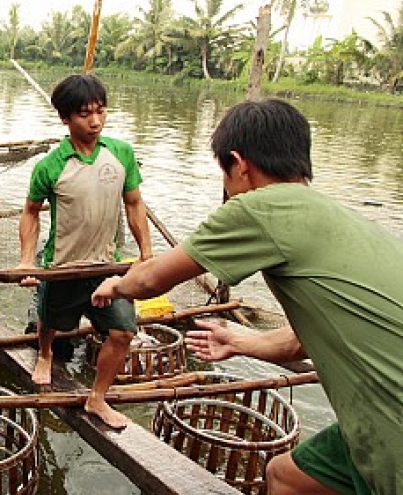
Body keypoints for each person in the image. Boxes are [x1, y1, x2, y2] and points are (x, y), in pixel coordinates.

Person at [92, 98, 402, 495]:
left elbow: (150, 281)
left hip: (391, 425)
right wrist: (241, 342)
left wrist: (114, 285)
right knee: (285, 476)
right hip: (369, 417)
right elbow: (298, 340)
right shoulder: (336, 218)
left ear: (239, 164)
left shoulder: (262, 207)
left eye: (225, 173)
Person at [17, 74, 153, 429]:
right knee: (52, 322)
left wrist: (146, 254)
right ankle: (45, 353)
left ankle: (97, 398)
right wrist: (27, 261)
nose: (95, 122)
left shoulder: (120, 153)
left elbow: (135, 203)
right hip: (63, 265)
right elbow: (30, 212)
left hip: (108, 266)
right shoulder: (50, 166)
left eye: (100, 111)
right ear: (64, 118)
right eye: (83, 114)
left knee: (123, 332)